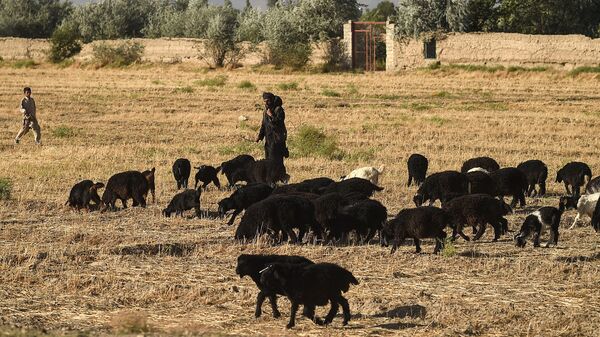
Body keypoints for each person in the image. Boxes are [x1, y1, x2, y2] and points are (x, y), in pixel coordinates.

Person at [256, 92, 289, 159]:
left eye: (268, 101)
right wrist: (260, 136)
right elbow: (264, 124)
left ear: (272, 100)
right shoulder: (266, 111)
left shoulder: (279, 110)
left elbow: (279, 123)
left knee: (276, 160)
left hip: (277, 140)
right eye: (264, 101)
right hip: (268, 140)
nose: (266, 103)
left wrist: (271, 115)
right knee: (268, 159)